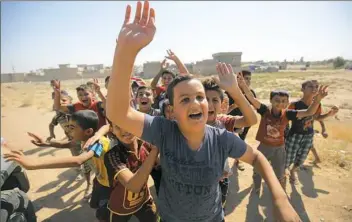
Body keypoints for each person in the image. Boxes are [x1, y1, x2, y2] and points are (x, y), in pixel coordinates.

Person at [106, 2, 300, 221]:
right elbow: (118, 112)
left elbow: (256, 156)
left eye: (200, 97)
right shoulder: (163, 131)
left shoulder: (221, 139)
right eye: (185, 99)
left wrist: (280, 199)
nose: (196, 102)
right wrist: (126, 51)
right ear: (172, 110)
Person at [4, 110, 111, 222]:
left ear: (88, 131)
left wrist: (33, 163)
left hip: (109, 185)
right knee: (96, 204)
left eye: (72, 127)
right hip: (100, 180)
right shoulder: (85, 138)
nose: (68, 130)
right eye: (68, 126)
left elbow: (78, 160)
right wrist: (46, 143)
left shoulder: (98, 143)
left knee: (105, 212)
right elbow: (69, 144)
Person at [240, 79, 329, 193]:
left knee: (280, 172)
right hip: (264, 147)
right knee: (258, 169)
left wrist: (317, 100)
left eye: (283, 101)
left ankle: (280, 192)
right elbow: (251, 98)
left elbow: (309, 112)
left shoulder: (288, 114)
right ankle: (257, 186)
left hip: (279, 149)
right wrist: (244, 86)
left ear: (287, 103)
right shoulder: (265, 111)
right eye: (277, 100)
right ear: (270, 100)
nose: (280, 103)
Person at [202, 76, 257, 208]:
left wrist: (236, 91)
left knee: (219, 206)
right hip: (198, 179)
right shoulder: (191, 122)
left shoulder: (223, 121)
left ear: (221, 104)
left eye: (214, 100)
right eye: (204, 99)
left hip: (221, 178)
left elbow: (251, 120)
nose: (209, 104)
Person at [285, 80, 339, 184]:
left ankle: (293, 171)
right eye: (310, 86)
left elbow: (317, 117)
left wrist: (329, 114)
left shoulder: (317, 104)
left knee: (301, 159)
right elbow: (285, 120)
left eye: (316, 86)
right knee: (288, 159)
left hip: (308, 136)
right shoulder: (294, 105)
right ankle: (282, 175)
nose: (314, 88)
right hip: (294, 136)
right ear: (302, 89)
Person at [104, 120, 158, 222]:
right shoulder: (113, 155)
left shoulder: (145, 144)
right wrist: (155, 150)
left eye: (128, 123)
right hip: (119, 208)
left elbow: (160, 164)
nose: (125, 129)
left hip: (144, 200)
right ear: (112, 130)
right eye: (118, 127)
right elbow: (133, 186)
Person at [226, 70, 256, 171]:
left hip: (246, 123)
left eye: (249, 79)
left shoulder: (251, 93)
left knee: (241, 141)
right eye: (245, 78)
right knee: (228, 142)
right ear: (238, 79)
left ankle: (237, 160)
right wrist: (234, 106)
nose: (248, 81)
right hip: (231, 123)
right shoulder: (229, 93)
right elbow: (223, 110)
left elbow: (254, 106)